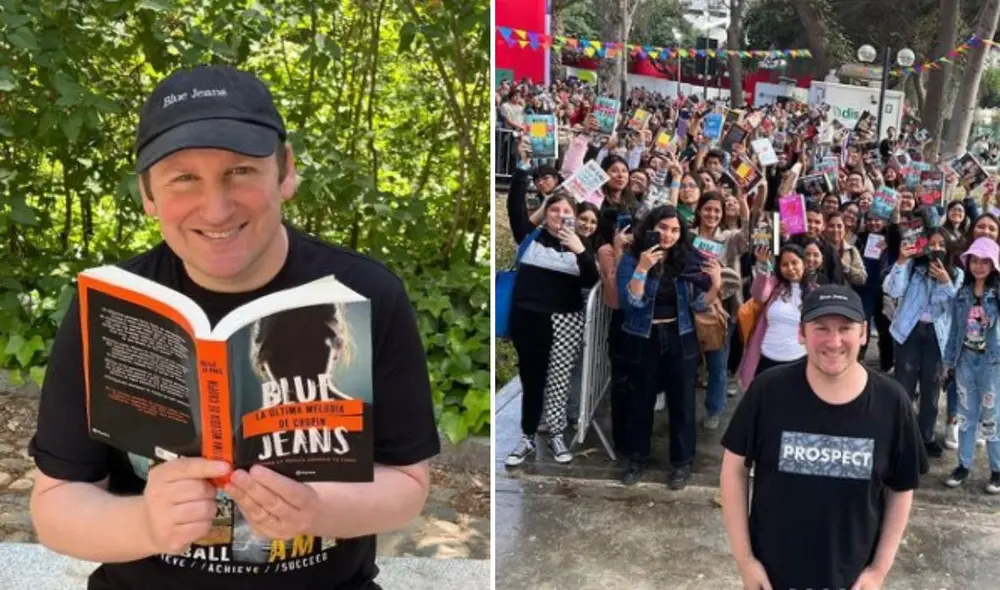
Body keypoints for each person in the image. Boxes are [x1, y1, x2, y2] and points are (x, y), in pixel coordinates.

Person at [28, 64, 440, 590]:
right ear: (147, 195)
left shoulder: (366, 295)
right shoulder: (105, 308)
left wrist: (313, 509)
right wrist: (148, 524)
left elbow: (407, 483)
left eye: (240, 171)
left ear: (285, 170)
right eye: (183, 178)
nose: (216, 208)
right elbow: (56, 504)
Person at [720, 284, 926, 590]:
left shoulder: (892, 402)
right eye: (821, 328)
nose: (834, 341)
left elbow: (901, 488)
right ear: (801, 333)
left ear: (863, 333)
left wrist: (878, 570)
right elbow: (734, 470)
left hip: (851, 578)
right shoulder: (768, 391)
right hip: (773, 577)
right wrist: (745, 561)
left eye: (845, 328)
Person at [616, 205, 722, 488]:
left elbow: (699, 304)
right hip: (643, 337)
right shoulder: (632, 258)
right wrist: (642, 269)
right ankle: (636, 458)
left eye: (675, 229)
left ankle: (682, 463)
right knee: (641, 400)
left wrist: (715, 285)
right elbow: (631, 303)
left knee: (683, 402)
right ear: (651, 227)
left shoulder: (687, 260)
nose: (668, 235)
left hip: (680, 335)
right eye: (663, 228)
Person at [505, 184, 599, 466]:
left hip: (565, 320)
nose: (560, 214)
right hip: (528, 318)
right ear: (545, 213)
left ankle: (557, 434)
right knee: (531, 381)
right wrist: (521, 169)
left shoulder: (580, 245)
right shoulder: (530, 237)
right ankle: (527, 436)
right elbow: (514, 209)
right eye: (554, 209)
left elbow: (591, 281)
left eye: (566, 210)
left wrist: (581, 251)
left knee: (558, 381)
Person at [883, 230, 962, 458]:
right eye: (931, 243)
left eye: (941, 244)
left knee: (931, 388)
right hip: (909, 331)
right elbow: (891, 289)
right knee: (904, 385)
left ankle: (926, 436)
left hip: (938, 337)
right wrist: (901, 259)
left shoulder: (956, 274)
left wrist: (945, 282)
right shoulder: (913, 268)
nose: (936, 248)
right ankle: (901, 435)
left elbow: (956, 309)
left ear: (948, 248)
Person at [941, 237, 1000, 493]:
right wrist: (947, 363)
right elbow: (954, 330)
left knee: (991, 416)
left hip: (992, 363)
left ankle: (997, 470)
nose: (979, 266)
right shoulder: (962, 294)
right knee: (965, 416)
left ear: (994, 265)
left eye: (985, 261)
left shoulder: (996, 295)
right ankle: (963, 465)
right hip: (965, 360)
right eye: (974, 260)